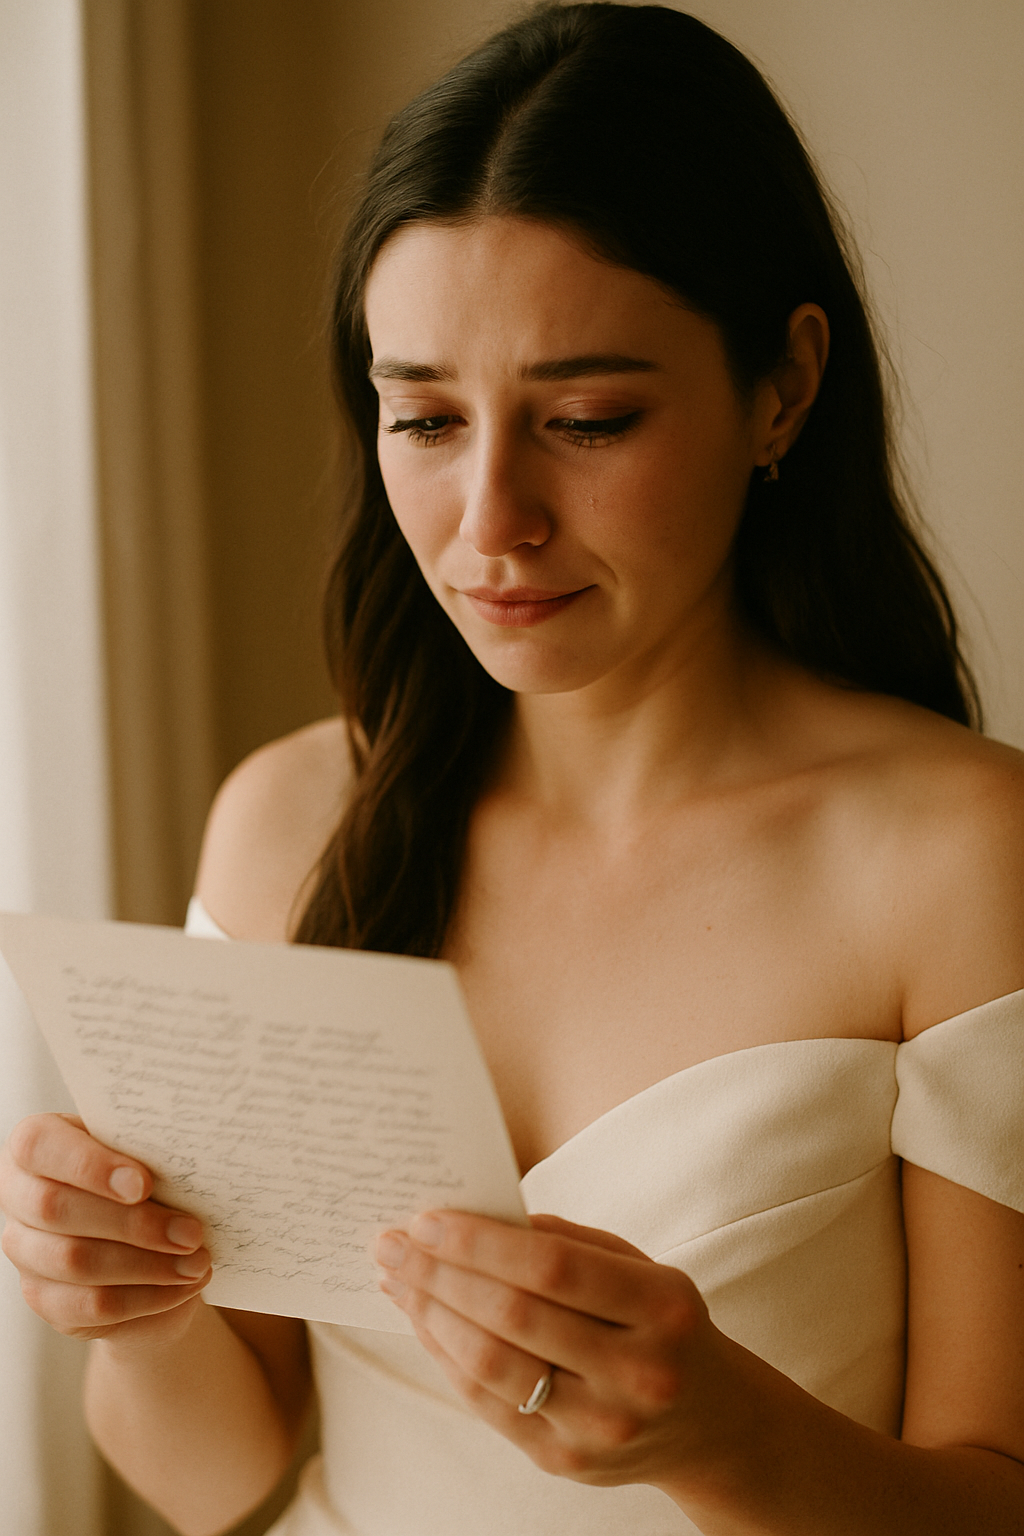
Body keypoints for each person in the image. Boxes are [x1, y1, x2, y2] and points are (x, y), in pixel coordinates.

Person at [2, 4, 1023, 1533]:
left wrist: (727, 1434)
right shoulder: (291, 823)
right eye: (421, 417)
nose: (490, 521)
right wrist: (130, 1308)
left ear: (784, 387)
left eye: (588, 420)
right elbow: (224, 1482)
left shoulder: (958, 852)